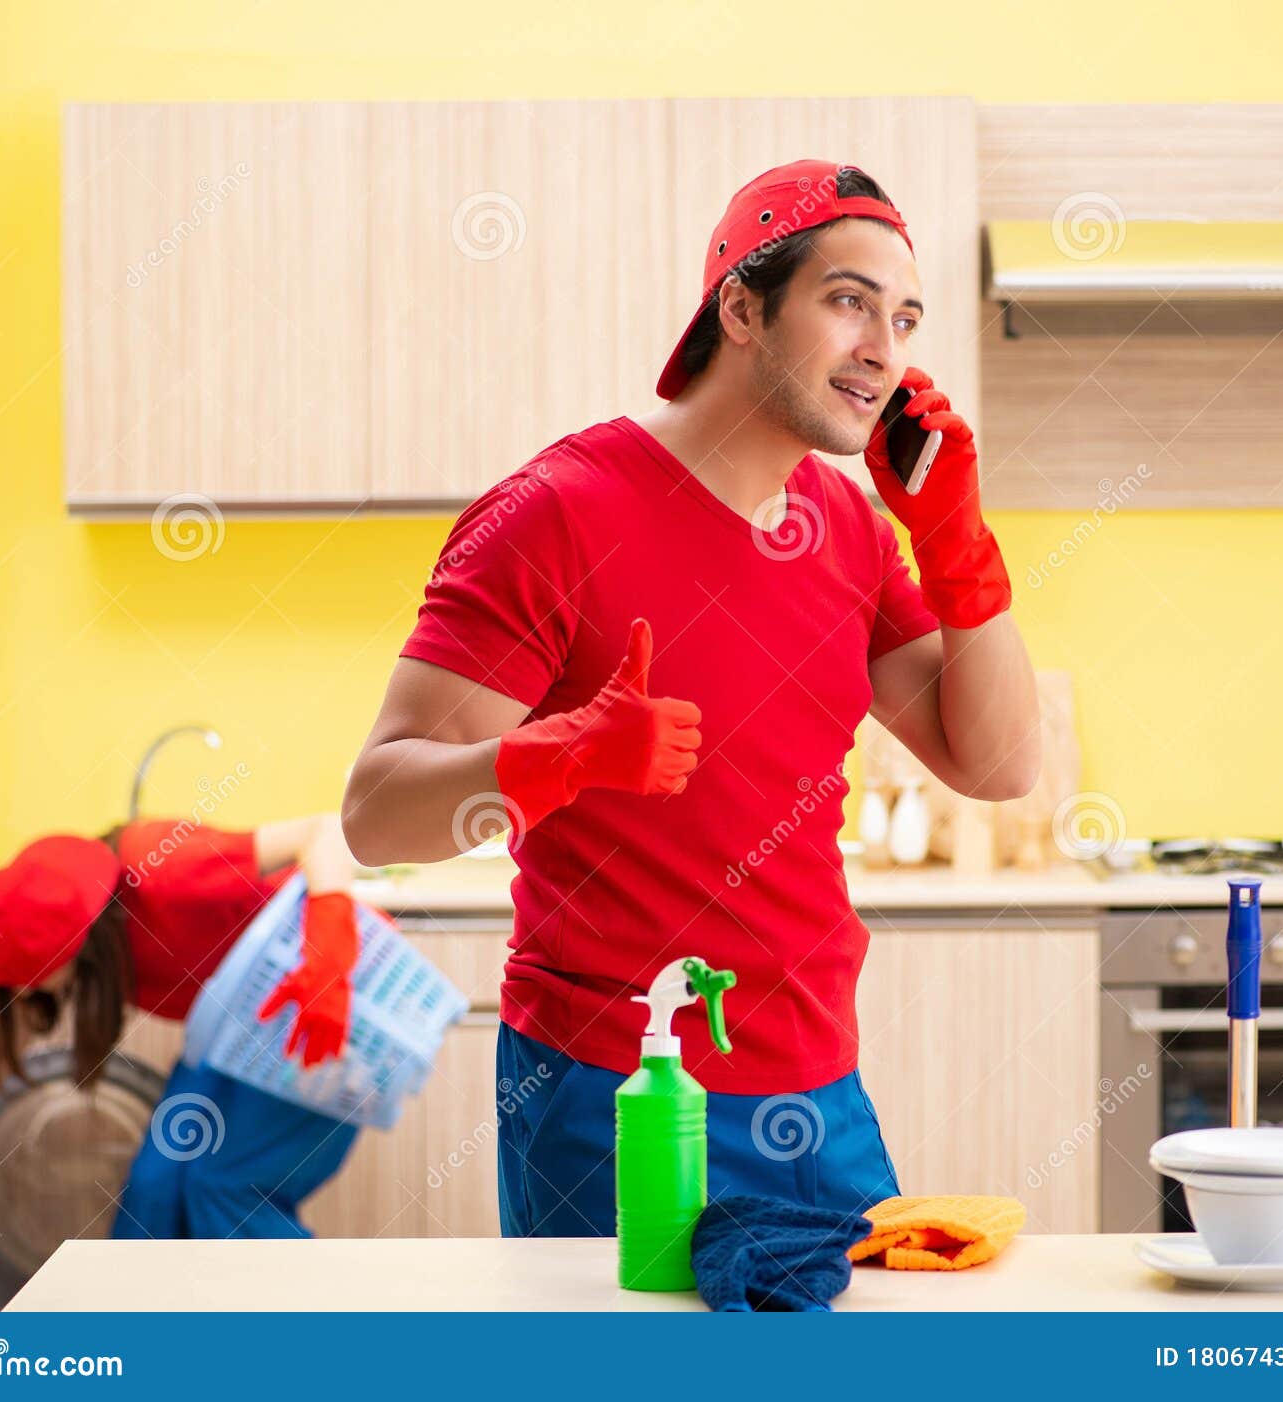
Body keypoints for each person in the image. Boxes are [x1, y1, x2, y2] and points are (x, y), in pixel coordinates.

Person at [341, 159, 1042, 1236]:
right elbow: (377, 812)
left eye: (903, 319)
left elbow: (997, 765)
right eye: (848, 301)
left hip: (818, 1092)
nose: (882, 349)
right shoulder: (555, 514)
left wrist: (955, 542)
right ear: (741, 309)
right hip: (614, 1093)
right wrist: (560, 756)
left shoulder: (848, 531)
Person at [0, 813, 363, 1239]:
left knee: (224, 1190)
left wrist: (329, 972)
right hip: (237, 1038)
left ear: (71, 942)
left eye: (28, 974)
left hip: (332, 1015)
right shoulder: (93, 952)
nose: (23, 990)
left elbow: (324, 831)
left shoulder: (161, 865)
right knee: (154, 1191)